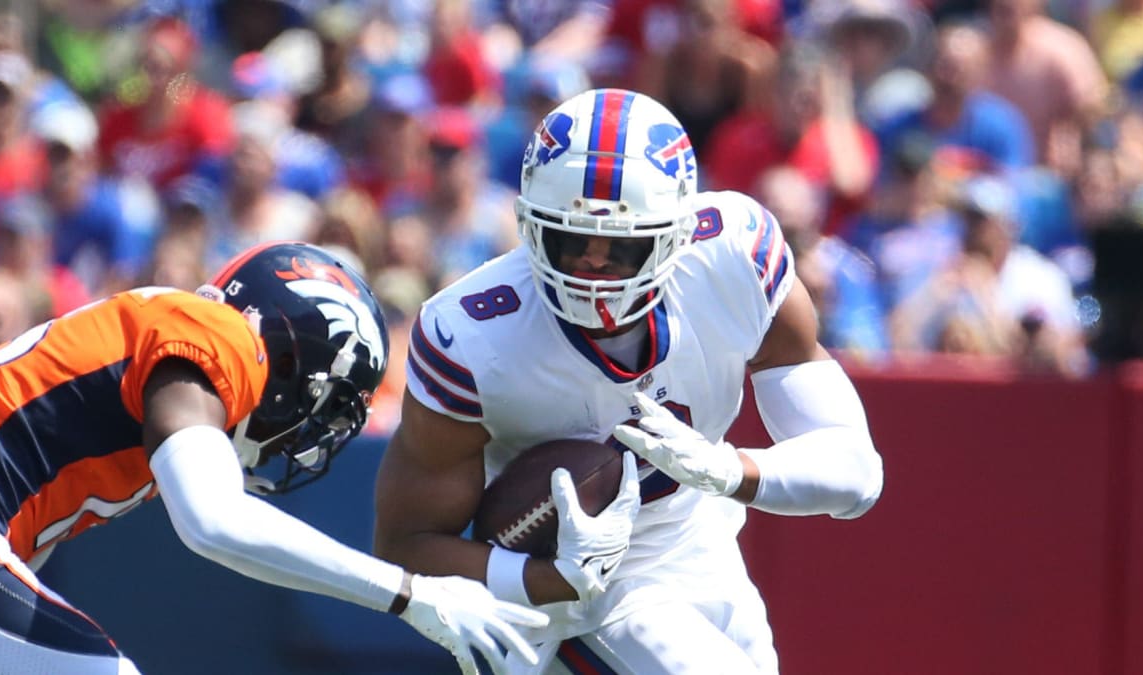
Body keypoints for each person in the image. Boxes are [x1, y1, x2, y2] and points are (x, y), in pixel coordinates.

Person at [373, 89, 885, 672]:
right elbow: (405, 547)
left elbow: (858, 473)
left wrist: (729, 470)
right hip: (576, 601)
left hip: (702, 545)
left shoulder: (733, 255)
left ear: (678, 233)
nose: (593, 265)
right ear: (528, 226)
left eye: (620, 247)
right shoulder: (471, 333)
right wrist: (546, 578)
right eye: (569, 240)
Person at [0, 241, 547, 674]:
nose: (308, 433)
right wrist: (410, 593)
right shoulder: (219, 336)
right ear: (293, 362)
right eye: (325, 404)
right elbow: (215, 522)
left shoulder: (164, 349)